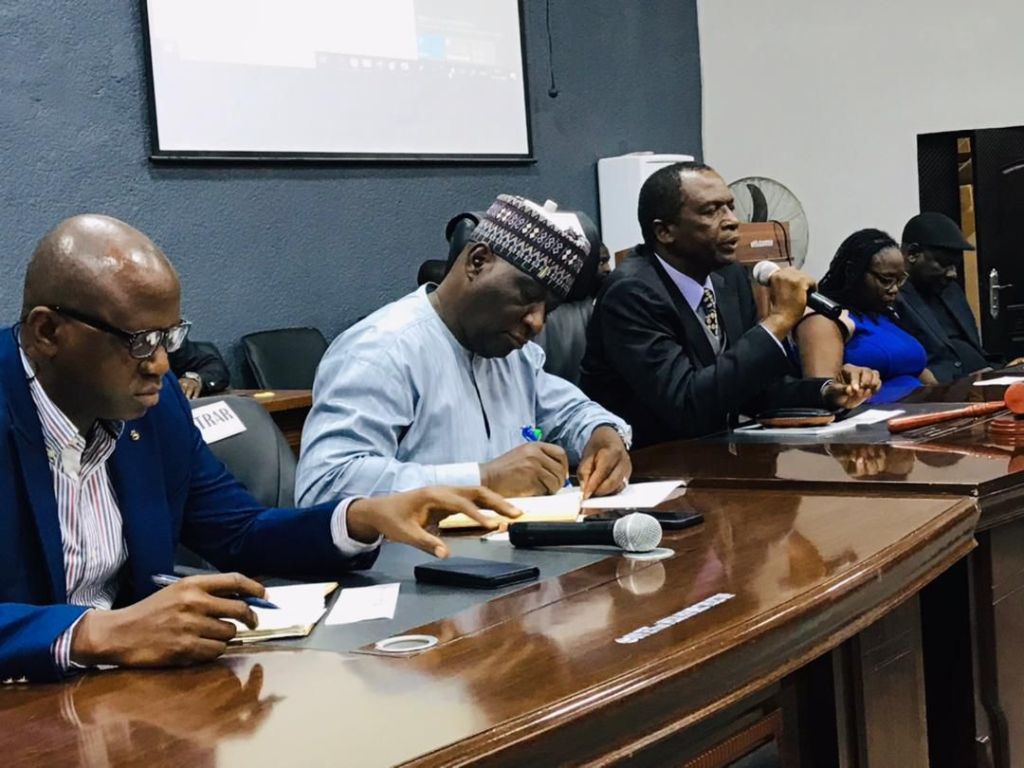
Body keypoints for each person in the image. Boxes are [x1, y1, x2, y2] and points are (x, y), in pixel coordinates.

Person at [1, 214, 520, 682]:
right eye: (139, 342)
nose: (160, 365)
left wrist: (359, 518)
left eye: (168, 339)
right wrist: (96, 633)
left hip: (122, 697)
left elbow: (239, 531)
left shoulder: (153, 409)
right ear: (48, 332)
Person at [296, 194, 632, 506]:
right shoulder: (382, 350)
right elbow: (324, 486)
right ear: (477, 261)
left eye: (549, 309)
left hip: (510, 545)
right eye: (527, 295)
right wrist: (483, 480)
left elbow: (571, 412)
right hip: (416, 551)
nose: (537, 322)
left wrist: (604, 436)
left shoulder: (513, 355)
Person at [579, 161, 879, 447]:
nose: (733, 221)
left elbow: (753, 389)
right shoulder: (631, 293)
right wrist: (778, 321)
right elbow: (686, 406)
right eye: (712, 211)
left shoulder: (729, 277)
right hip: (652, 465)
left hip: (716, 456)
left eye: (730, 207)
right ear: (665, 232)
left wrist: (827, 392)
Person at [796, 229, 935, 403]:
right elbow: (824, 394)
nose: (894, 289)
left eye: (900, 280)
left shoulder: (884, 314)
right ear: (853, 273)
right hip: (875, 416)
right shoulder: (824, 319)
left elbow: (917, 371)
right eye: (886, 280)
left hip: (921, 409)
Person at [897, 212, 1019, 381]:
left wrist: (1003, 370)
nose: (953, 273)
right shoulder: (893, 298)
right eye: (944, 263)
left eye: (955, 265)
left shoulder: (950, 290)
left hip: (985, 378)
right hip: (946, 388)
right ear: (912, 253)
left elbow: (974, 350)